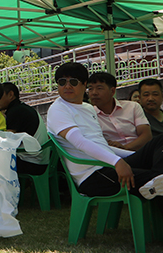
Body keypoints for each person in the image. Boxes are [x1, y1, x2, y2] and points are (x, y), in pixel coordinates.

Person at [47, 62, 163, 202]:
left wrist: (135, 156)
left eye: (73, 82)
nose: (67, 86)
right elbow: (79, 142)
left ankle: (157, 179)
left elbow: (101, 145)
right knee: (157, 182)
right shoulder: (58, 109)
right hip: (93, 175)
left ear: (84, 85)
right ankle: (156, 180)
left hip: (108, 165)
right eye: (61, 82)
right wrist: (117, 162)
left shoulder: (88, 108)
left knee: (160, 141)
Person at [87, 71, 151, 152]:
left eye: (99, 88)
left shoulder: (132, 107)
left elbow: (146, 135)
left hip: (140, 151)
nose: (94, 93)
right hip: (114, 156)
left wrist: (126, 147)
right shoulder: (89, 115)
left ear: (112, 91)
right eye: (90, 89)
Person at [0, 81, 48, 177]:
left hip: (33, 163)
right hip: (41, 160)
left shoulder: (15, 111)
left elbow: (8, 141)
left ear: (10, 95)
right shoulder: (23, 108)